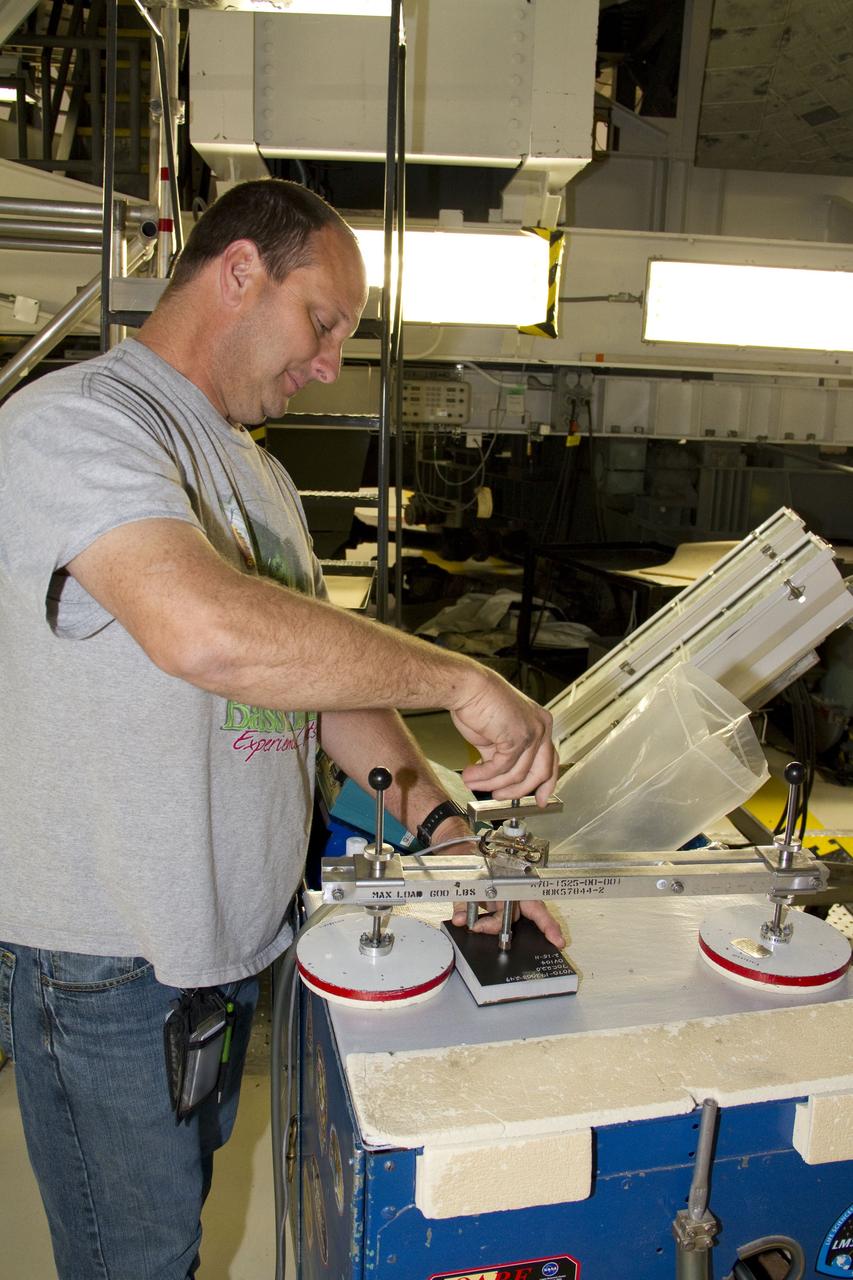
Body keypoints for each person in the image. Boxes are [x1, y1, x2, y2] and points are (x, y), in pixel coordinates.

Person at [0, 178, 561, 1279]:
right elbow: (209, 630)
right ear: (240, 269)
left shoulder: (255, 472)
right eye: (324, 322)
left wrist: (445, 836)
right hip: (110, 961)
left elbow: (320, 682)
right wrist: (456, 676)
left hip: (228, 946)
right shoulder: (73, 423)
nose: (328, 365)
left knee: (182, 1225)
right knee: (141, 1258)